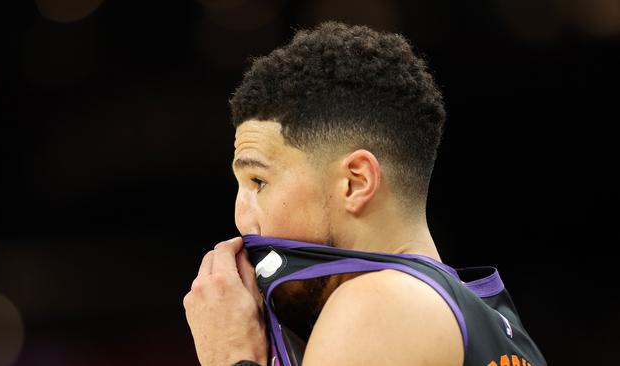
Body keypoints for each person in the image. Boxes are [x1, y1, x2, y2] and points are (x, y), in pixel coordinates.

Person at [183, 21, 546, 366]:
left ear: (355, 182)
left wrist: (231, 354)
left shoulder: (379, 304)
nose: (242, 217)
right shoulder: (493, 321)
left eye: (258, 182)